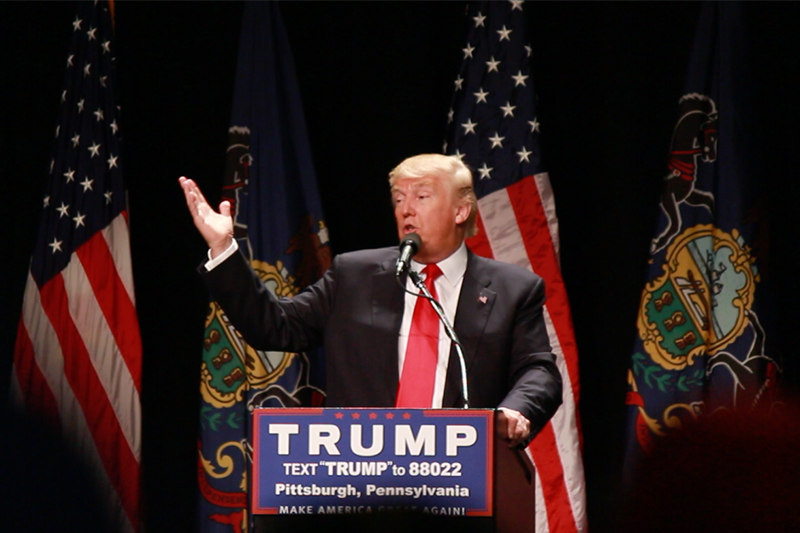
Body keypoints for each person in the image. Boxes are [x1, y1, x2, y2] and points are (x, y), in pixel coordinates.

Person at [179, 154, 562, 447]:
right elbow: (274, 327)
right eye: (399, 199)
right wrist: (224, 248)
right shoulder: (355, 276)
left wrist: (515, 411)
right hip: (361, 473)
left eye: (422, 197)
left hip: (460, 475)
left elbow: (538, 371)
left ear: (461, 210)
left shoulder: (513, 289)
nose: (405, 209)